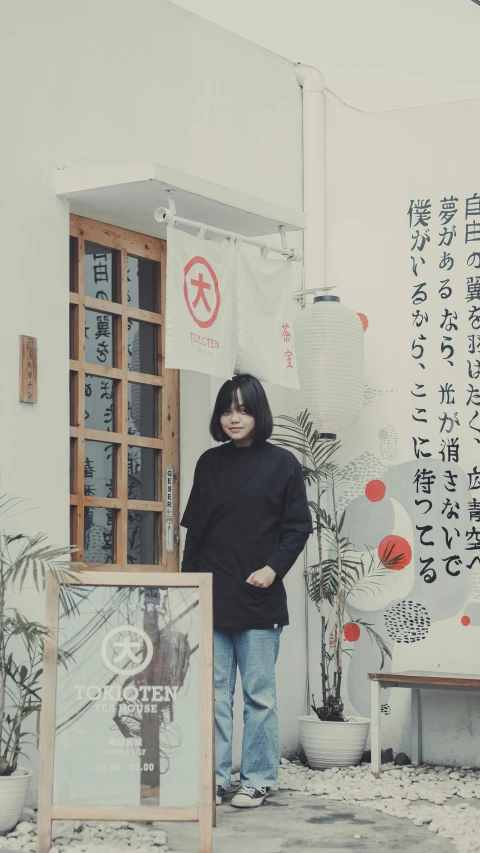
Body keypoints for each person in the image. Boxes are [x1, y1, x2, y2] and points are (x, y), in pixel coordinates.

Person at [180, 374, 312, 809]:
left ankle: (257, 778)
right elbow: (195, 534)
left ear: (258, 413)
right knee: (214, 694)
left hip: (259, 596)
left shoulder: (283, 463)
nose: (234, 418)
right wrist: (187, 588)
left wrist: (273, 570)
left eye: (243, 409)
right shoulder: (208, 463)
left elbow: (297, 529)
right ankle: (215, 779)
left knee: (259, 694)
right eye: (226, 410)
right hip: (211, 594)